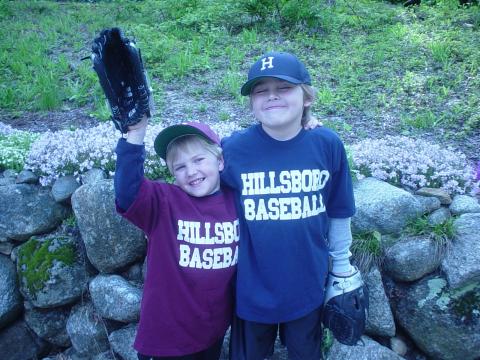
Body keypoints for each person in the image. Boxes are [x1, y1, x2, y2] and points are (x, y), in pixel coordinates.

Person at [221, 52, 356, 360]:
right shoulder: (233, 150)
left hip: (307, 286)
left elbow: (339, 211)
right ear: (252, 103)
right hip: (251, 289)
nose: (271, 96)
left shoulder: (327, 144)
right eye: (260, 90)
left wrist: (342, 269)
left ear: (306, 98)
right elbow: (197, 175)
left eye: (283, 88)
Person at [114, 116, 240, 360]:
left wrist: (303, 124)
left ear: (220, 161)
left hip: (211, 335)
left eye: (199, 159)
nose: (191, 171)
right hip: (165, 342)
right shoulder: (163, 202)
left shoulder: (236, 201)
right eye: (179, 167)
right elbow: (127, 193)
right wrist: (136, 134)